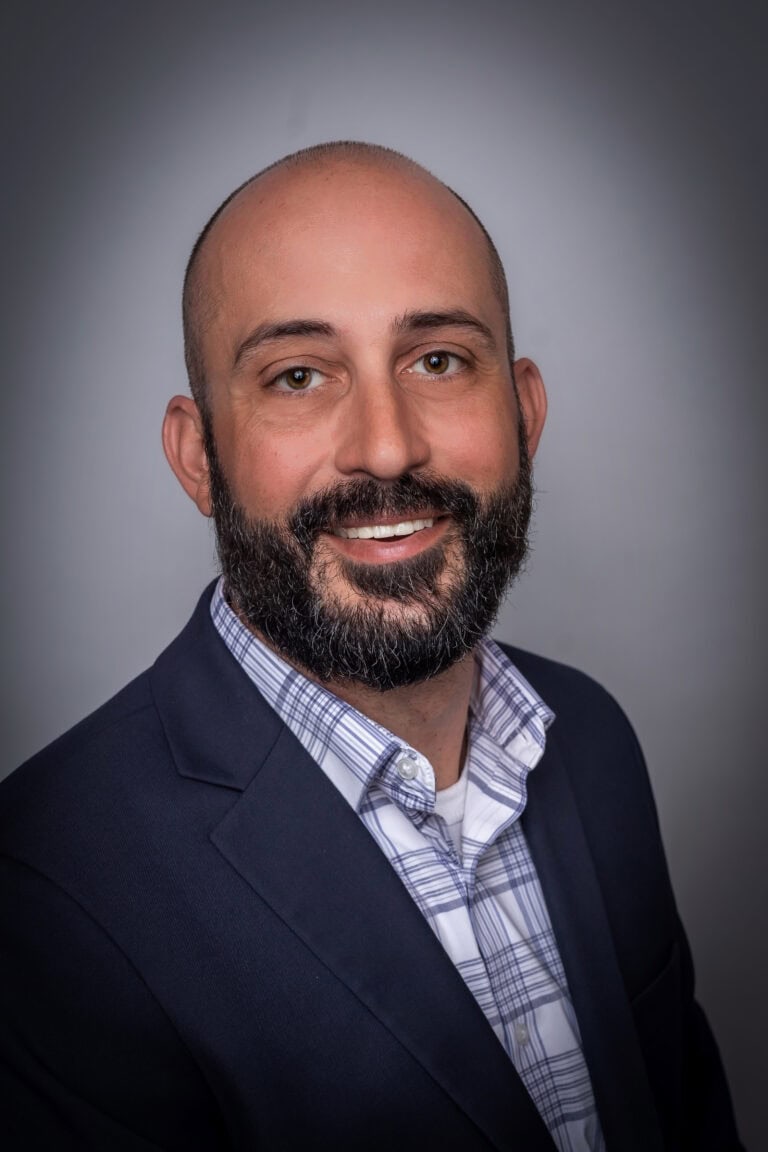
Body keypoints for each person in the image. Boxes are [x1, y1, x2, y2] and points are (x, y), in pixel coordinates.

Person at [0, 142, 744, 1152]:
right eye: (299, 376)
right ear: (198, 457)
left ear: (523, 411)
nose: (387, 447)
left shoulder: (593, 739)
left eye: (439, 360)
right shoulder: (45, 887)